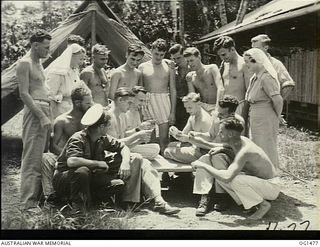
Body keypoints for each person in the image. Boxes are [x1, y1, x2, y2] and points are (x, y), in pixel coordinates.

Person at [53, 104, 180, 215]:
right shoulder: (78, 138)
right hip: (66, 179)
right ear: (101, 126)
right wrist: (98, 163)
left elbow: (122, 147)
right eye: (108, 125)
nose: (109, 128)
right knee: (82, 170)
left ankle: (105, 202)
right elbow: (72, 161)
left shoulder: (102, 138)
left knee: (119, 182)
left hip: (90, 177)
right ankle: (78, 208)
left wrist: (125, 163)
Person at [192, 118, 280, 220]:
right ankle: (251, 203)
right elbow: (215, 145)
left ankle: (262, 205)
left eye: (221, 132)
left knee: (231, 178)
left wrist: (203, 165)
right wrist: (194, 140)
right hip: (260, 183)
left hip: (271, 187)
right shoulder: (239, 140)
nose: (219, 134)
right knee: (221, 175)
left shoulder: (245, 151)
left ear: (229, 135)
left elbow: (227, 178)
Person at [16, 29, 52, 213]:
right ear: (35, 45)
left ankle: (38, 198)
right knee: (31, 157)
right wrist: (42, 115)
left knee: (42, 156)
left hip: (45, 109)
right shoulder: (25, 63)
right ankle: (28, 203)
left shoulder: (39, 63)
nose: (48, 51)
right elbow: (24, 94)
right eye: (45, 47)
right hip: (35, 112)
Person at [42, 86, 93, 201]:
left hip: (86, 157)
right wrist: (68, 156)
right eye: (88, 103)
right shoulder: (62, 121)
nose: (91, 105)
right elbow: (53, 146)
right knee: (45, 157)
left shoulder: (91, 119)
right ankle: (50, 195)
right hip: (65, 157)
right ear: (77, 103)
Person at [244, 48, 283, 169]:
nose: (246, 65)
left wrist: (277, 116)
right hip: (256, 115)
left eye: (248, 62)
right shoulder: (254, 78)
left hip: (265, 116)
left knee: (266, 145)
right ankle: (262, 172)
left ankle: (272, 173)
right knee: (258, 145)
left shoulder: (266, 78)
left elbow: (278, 100)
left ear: (256, 61)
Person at [138, 38, 177, 154]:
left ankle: (166, 170)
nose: (159, 57)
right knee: (151, 138)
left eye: (162, 54)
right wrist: (139, 110)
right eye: (156, 54)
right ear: (151, 50)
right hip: (147, 102)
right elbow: (140, 90)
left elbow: (173, 89)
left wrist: (172, 112)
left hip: (163, 101)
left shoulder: (169, 66)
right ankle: (152, 168)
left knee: (164, 139)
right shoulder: (143, 66)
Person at [106, 87, 160, 160]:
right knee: (145, 155)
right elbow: (113, 146)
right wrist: (138, 135)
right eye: (129, 103)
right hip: (112, 156)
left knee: (155, 149)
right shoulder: (110, 118)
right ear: (120, 100)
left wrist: (139, 139)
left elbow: (123, 144)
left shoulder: (119, 116)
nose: (130, 105)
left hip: (120, 151)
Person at [164, 92, 212, 164]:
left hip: (203, 153)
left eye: (189, 107)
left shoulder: (204, 120)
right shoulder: (193, 115)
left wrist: (189, 140)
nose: (187, 111)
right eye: (186, 108)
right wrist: (175, 132)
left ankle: (185, 173)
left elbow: (209, 145)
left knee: (167, 151)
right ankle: (184, 174)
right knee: (171, 145)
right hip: (195, 147)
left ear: (198, 104)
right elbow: (183, 136)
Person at [46, 43, 88, 119]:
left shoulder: (74, 71)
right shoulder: (57, 72)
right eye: (80, 59)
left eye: (83, 59)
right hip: (60, 110)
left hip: (72, 109)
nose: (82, 62)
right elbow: (51, 97)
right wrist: (56, 118)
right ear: (71, 56)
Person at [213, 36, 251, 118]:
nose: (222, 58)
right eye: (220, 55)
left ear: (232, 49)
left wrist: (244, 114)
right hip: (225, 109)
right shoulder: (224, 65)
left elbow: (249, 92)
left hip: (239, 107)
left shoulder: (244, 64)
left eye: (224, 54)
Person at [251, 34, 295, 100]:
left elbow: (289, 84)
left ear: (265, 48)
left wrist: (276, 102)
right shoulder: (249, 63)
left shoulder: (275, 64)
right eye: (252, 49)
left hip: (266, 106)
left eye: (257, 49)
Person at [184, 47, 224, 114]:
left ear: (199, 57)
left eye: (191, 60)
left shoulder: (212, 68)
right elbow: (192, 97)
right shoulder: (191, 77)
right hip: (202, 107)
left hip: (216, 105)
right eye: (187, 61)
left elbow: (221, 89)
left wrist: (217, 109)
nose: (190, 64)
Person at [168, 44, 190, 130]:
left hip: (190, 104)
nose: (176, 61)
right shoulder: (174, 71)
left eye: (179, 58)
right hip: (177, 105)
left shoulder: (192, 68)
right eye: (174, 59)